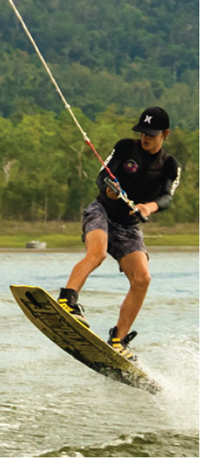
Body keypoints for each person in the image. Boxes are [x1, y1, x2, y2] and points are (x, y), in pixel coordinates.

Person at [58, 107, 181, 360]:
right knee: (98, 253)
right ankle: (67, 300)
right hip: (101, 211)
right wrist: (109, 189)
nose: (145, 138)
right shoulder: (126, 147)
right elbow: (103, 175)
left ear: (165, 134)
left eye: (152, 134)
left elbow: (167, 197)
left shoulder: (170, 165)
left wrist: (148, 207)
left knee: (143, 278)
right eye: (142, 133)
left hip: (128, 226)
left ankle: (118, 340)